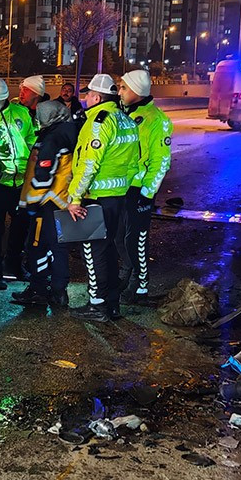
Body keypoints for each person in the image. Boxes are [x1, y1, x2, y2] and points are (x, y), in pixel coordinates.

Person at [66, 73, 140, 322]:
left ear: (96, 97)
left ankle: (97, 306)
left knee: (94, 251)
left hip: (95, 196)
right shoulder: (126, 120)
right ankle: (112, 303)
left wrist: (75, 197)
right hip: (118, 195)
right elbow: (133, 162)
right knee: (109, 250)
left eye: (87, 94)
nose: (85, 98)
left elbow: (88, 164)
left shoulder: (98, 122)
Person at [12, 99, 79, 309]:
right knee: (58, 248)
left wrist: (32, 203)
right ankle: (59, 292)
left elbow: (42, 174)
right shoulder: (71, 132)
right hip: (63, 200)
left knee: (36, 246)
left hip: (48, 202)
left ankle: (38, 289)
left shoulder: (51, 138)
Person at [117, 69, 172, 303]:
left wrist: (148, 193)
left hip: (139, 190)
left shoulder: (156, 120)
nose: (119, 91)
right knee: (119, 237)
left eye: (123, 87)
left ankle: (140, 287)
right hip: (121, 187)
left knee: (136, 240)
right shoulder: (123, 114)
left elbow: (161, 162)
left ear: (137, 92)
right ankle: (124, 277)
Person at [0, 75, 36, 291]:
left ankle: (14, 265)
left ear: (3, 98)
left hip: (21, 181)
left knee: (21, 227)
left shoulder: (21, 113)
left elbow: (32, 140)